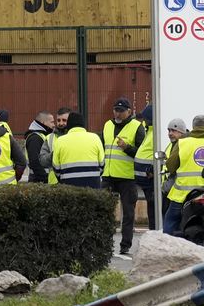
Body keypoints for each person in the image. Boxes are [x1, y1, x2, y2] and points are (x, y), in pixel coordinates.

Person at [162, 114, 204, 234]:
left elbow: (171, 167)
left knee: (170, 220)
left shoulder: (183, 143)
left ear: (193, 127)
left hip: (185, 194)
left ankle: (168, 249)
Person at [103, 98, 149, 253]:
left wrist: (127, 147)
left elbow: (141, 154)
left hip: (127, 177)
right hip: (108, 175)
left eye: (121, 111)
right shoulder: (107, 125)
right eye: (116, 110)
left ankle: (125, 245)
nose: (118, 113)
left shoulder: (137, 127)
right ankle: (104, 244)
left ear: (129, 112)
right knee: (103, 210)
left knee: (128, 213)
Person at [52, 111, 104, 188]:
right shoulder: (95, 138)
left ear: (68, 125)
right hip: (93, 186)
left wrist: (63, 178)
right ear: (83, 124)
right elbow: (102, 164)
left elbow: (56, 167)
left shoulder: (60, 140)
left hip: (68, 186)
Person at [134, 105, 157, 229]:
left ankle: (154, 232)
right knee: (151, 208)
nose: (143, 121)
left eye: (145, 118)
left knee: (154, 209)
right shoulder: (149, 130)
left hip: (151, 180)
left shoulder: (155, 133)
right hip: (146, 181)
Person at [25, 110, 58, 183]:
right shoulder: (35, 138)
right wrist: (46, 179)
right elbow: (35, 162)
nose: (54, 125)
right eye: (52, 122)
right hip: (39, 181)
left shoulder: (42, 135)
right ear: (44, 123)